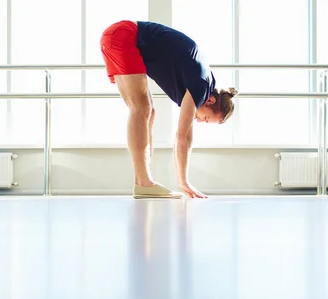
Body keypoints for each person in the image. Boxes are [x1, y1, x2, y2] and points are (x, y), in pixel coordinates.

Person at [100, 20, 237, 199]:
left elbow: (187, 133)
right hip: (124, 36)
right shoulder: (202, 86)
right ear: (211, 101)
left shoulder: (203, 84)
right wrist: (184, 182)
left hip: (119, 36)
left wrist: (183, 180)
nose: (199, 120)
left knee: (147, 111)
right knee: (142, 108)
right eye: (205, 119)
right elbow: (184, 136)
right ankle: (144, 183)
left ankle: (142, 181)